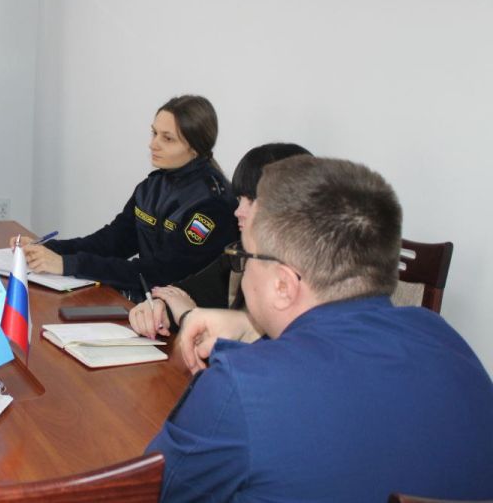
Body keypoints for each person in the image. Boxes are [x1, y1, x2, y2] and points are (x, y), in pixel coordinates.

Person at [146, 156, 493, 502]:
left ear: (283, 285)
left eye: (244, 256)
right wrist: (249, 327)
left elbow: (150, 491)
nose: (242, 269)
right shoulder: (445, 339)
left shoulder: (239, 387)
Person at [21, 95, 238, 301]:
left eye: (168, 138)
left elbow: (163, 273)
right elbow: (112, 242)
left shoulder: (212, 205)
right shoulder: (151, 186)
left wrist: (68, 264)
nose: (153, 144)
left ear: (195, 147)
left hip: (185, 315)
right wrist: (49, 249)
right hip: (146, 303)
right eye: (154, 133)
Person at [129, 143, 312, 338]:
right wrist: (158, 308)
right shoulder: (240, 255)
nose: (238, 212)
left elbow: (266, 347)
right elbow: (190, 291)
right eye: (239, 199)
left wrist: (187, 315)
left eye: (252, 201)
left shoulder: (313, 278)